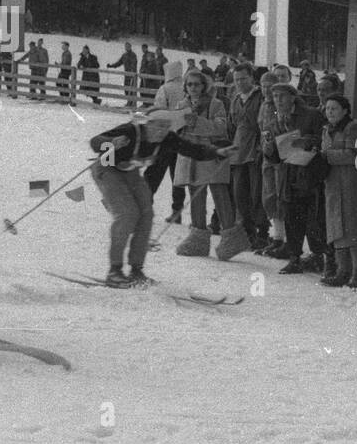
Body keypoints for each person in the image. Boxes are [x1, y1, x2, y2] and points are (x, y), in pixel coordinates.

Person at [88, 108, 221, 287]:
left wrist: (218, 152)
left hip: (131, 173)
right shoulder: (131, 131)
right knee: (127, 215)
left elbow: (191, 149)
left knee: (146, 215)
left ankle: (136, 270)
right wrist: (111, 142)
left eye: (167, 126)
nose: (162, 131)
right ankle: (115, 270)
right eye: (159, 126)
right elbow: (96, 141)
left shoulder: (167, 138)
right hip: (107, 169)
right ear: (148, 124)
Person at [173, 71, 246, 260]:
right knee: (195, 193)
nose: (193, 88)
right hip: (190, 155)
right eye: (190, 84)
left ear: (204, 86)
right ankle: (198, 238)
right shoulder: (181, 105)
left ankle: (231, 237)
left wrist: (198, 123)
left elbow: (221, 127)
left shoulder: (216, 104)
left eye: (197, 84)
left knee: (219, 193)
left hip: (212, 154)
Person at [264, 83, 328, 274]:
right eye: (274, 96)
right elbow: (274, 156)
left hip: (309, 174)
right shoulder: (275, 121)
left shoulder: (311, 115)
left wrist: (306, 141)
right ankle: (294, 257)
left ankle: (318, 256)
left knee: (312, 218)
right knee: (291, 217)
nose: (278, 100)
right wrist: (268, 148)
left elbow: (323, 139)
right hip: (288, 174)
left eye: (282, 96)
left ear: (293, 97)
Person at [319, 95, 357, 288]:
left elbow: (355, 154)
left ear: (344, 110)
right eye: (327, 109)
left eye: (334, 108)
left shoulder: (352, 128)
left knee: (353, 227)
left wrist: (327, 156)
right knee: (337, 226)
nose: (330, 112)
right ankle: (343, 270)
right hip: (334, 183)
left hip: (352, 184)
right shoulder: (327, 130)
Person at [226, 63, 266, 249]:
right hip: (239, 152)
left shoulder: (261, 97)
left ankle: (263, 233)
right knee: (239, 194)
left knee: (257, 194)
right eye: (236, 80)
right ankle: (248, 233)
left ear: (252, 78)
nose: (240, 83)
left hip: (256, 151)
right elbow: (232, 126)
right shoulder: (235, 99)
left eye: (243, 78)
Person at [146, 60, 187, 223]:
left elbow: (160, 110)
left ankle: (145, 208)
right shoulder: (185, 89)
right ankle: (177, 211)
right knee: (177, 177)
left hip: (165, 137)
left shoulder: (165, 89)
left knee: (153, 174)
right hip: (182, 138)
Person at [255, 71, 288, 257]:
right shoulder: (263, 105)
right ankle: (277, 237)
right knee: (268, 195)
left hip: (279, 155)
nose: (266, 89)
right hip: (266, 153)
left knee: (279, 195)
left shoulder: (278, 106)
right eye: (263, 85)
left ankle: (283, 238)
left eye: (270, 86)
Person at [109, 42, 138, 108]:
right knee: (126, 89)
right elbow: (119, 62)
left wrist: (132, 72)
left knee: (132, 89)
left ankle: (131, 103)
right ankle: (129, 102)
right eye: (126, 47)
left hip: (132, 75)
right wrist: (111, 66)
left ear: (130, 47)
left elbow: (134, 64)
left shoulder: (133, 55)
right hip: (126, 75)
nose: (127, 48)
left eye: (128, 46)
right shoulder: (124, 55)